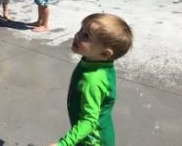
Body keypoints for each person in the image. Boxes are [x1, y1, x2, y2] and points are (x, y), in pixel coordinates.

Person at [48, 13, 133, 146]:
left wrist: (64, 144)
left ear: (105, 53)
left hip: (93, 140)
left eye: (86, 36)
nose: (78, 35)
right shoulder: (98, 63)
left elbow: (89, 120)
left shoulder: (93, 80)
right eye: (81, 30)